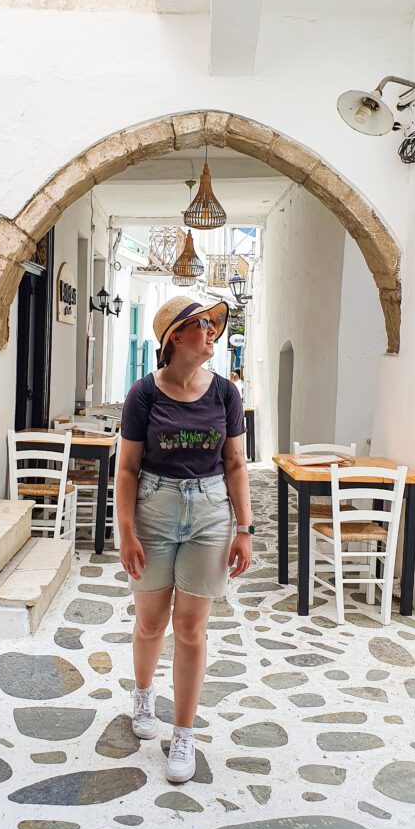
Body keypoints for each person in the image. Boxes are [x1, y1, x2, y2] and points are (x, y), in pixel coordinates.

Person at [116, 295, 254, 783]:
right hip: (154, 511)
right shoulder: (144, 395)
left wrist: (244, 529)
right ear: (176, 336)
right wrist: (126, 531)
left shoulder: (225, 394)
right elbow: (128, 468)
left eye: (214, 325)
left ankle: (183, 734)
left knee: (192, 629)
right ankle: (143, 693)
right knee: (151, 622)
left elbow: (235, 464)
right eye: (202, 325)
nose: (212, 331)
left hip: (210, 514)